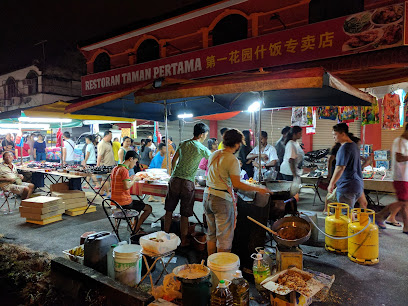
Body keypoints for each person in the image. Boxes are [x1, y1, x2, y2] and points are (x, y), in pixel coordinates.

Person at [205, 129, 270, 255]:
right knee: (224, 240)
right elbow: (237, 184)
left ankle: (211, 266)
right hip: (221, 200)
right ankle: (222, 272)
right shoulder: (232, 159)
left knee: (211, 235)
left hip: (207, 196)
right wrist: (259, 188)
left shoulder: (214, 154)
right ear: (237, 143)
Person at [164, 122, 211, 246]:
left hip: (174, 180)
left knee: (169, 211)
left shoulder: (183, 143)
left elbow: (174, 160)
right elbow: (213, 160)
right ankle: (183, 241)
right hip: (187, 183)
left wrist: (174, 173)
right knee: (184, 214)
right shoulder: (202, 148)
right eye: (205, 134)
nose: (205, 137)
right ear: (201, 135)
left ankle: (165, 237)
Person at [111, 150, 152, 235]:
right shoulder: (124, 170)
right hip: (124, 202)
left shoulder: (115, 168)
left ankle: (134, 226)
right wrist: (134, 179)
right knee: (148, 208)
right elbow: (126, 186)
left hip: (115, 201)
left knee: (139, 204)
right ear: (130, 159)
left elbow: (121, 182)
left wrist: (130, 178)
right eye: (135, 162)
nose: (134, 165)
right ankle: (135, 230)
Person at [376, 124, 408, 233]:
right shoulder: (399, 141)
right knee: (403, 202)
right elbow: (399, 158)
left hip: (405, 177)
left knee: (404, 203)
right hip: (401, 177)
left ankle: (406, 226)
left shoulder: (405, 142)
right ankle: (379, 215)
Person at [328, 123, 363, 208]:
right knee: (350, 213)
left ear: (343, 134)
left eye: (335, 135)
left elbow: (340, 168)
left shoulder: (345, 148)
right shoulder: (354, 146)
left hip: (347, 186)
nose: (333, 137)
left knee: (345, 215)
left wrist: (331, 183)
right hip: (356, 185)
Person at [97, 130, 116, 196]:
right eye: (110, 135)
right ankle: (108, 193)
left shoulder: (108, 143)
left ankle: (102, 191)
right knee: (106, 179)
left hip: (110, 164)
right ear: (106, 136)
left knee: (105, 179)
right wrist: (98, 165)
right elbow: (99, 155)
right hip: (105, 164)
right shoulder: (102, 144)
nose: (111, 137)